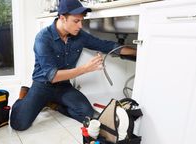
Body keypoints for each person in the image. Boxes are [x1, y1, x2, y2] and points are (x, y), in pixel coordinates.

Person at [10, 0, 136, 131]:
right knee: (19, 124)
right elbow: (52, 76)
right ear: (62, 18)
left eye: (82, 21)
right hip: (42, 85)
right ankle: (24, 98)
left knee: (87, 114)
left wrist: (139, 51)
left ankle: (54, 104)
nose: (81, 25)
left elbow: (107, 45)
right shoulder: (43, 38)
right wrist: (86, 68)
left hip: (63, 86)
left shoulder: (79, 36)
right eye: (76, 21)